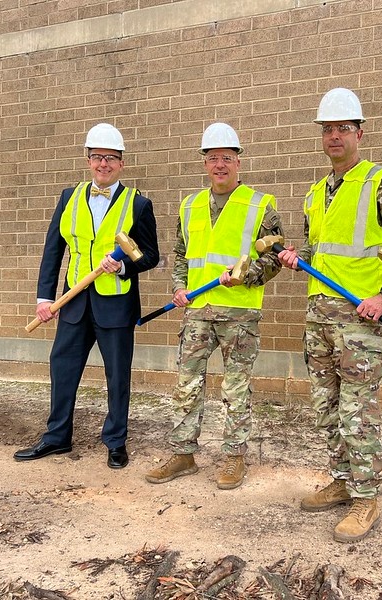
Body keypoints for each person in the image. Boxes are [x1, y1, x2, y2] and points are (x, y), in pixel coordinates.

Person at [277, 88, 382, 543]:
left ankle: (366, 497)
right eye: (328, 129)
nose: (335, 136)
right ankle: (342, 480)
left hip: (359, 319)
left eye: (343, 128)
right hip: (319, 316)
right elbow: (323, 253)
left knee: (358, 411)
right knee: (327, 407)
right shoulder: (315, 193)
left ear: (360, 132)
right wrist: (296, 257)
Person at [144, 123, 283, 491]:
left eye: (226, 157)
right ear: (204, 163)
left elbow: (275, 260)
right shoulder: (189, 205)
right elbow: (179, 254)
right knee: (187, 384)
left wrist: (245, 275)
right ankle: (183, 453)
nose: (219, 164)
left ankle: (234, 458)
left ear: (238, 161)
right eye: (212, 158)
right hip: (196, 312)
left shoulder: (260, 205)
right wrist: (178, 286)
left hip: (239, 314)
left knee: (236, 388)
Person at [14, 123, 160, 469]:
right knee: (62, 368)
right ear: (88, 159)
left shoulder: (138, 204)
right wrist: (43, 298)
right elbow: (53, 250)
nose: (103, 164)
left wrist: (123, 267)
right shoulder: (69, 197)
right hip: (74, 303)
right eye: (97, 157)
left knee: (117, 376)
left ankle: (115, 442)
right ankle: (56, 437)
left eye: (110, 158)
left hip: (116, 305)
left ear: (121, 163)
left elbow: (151, 255)